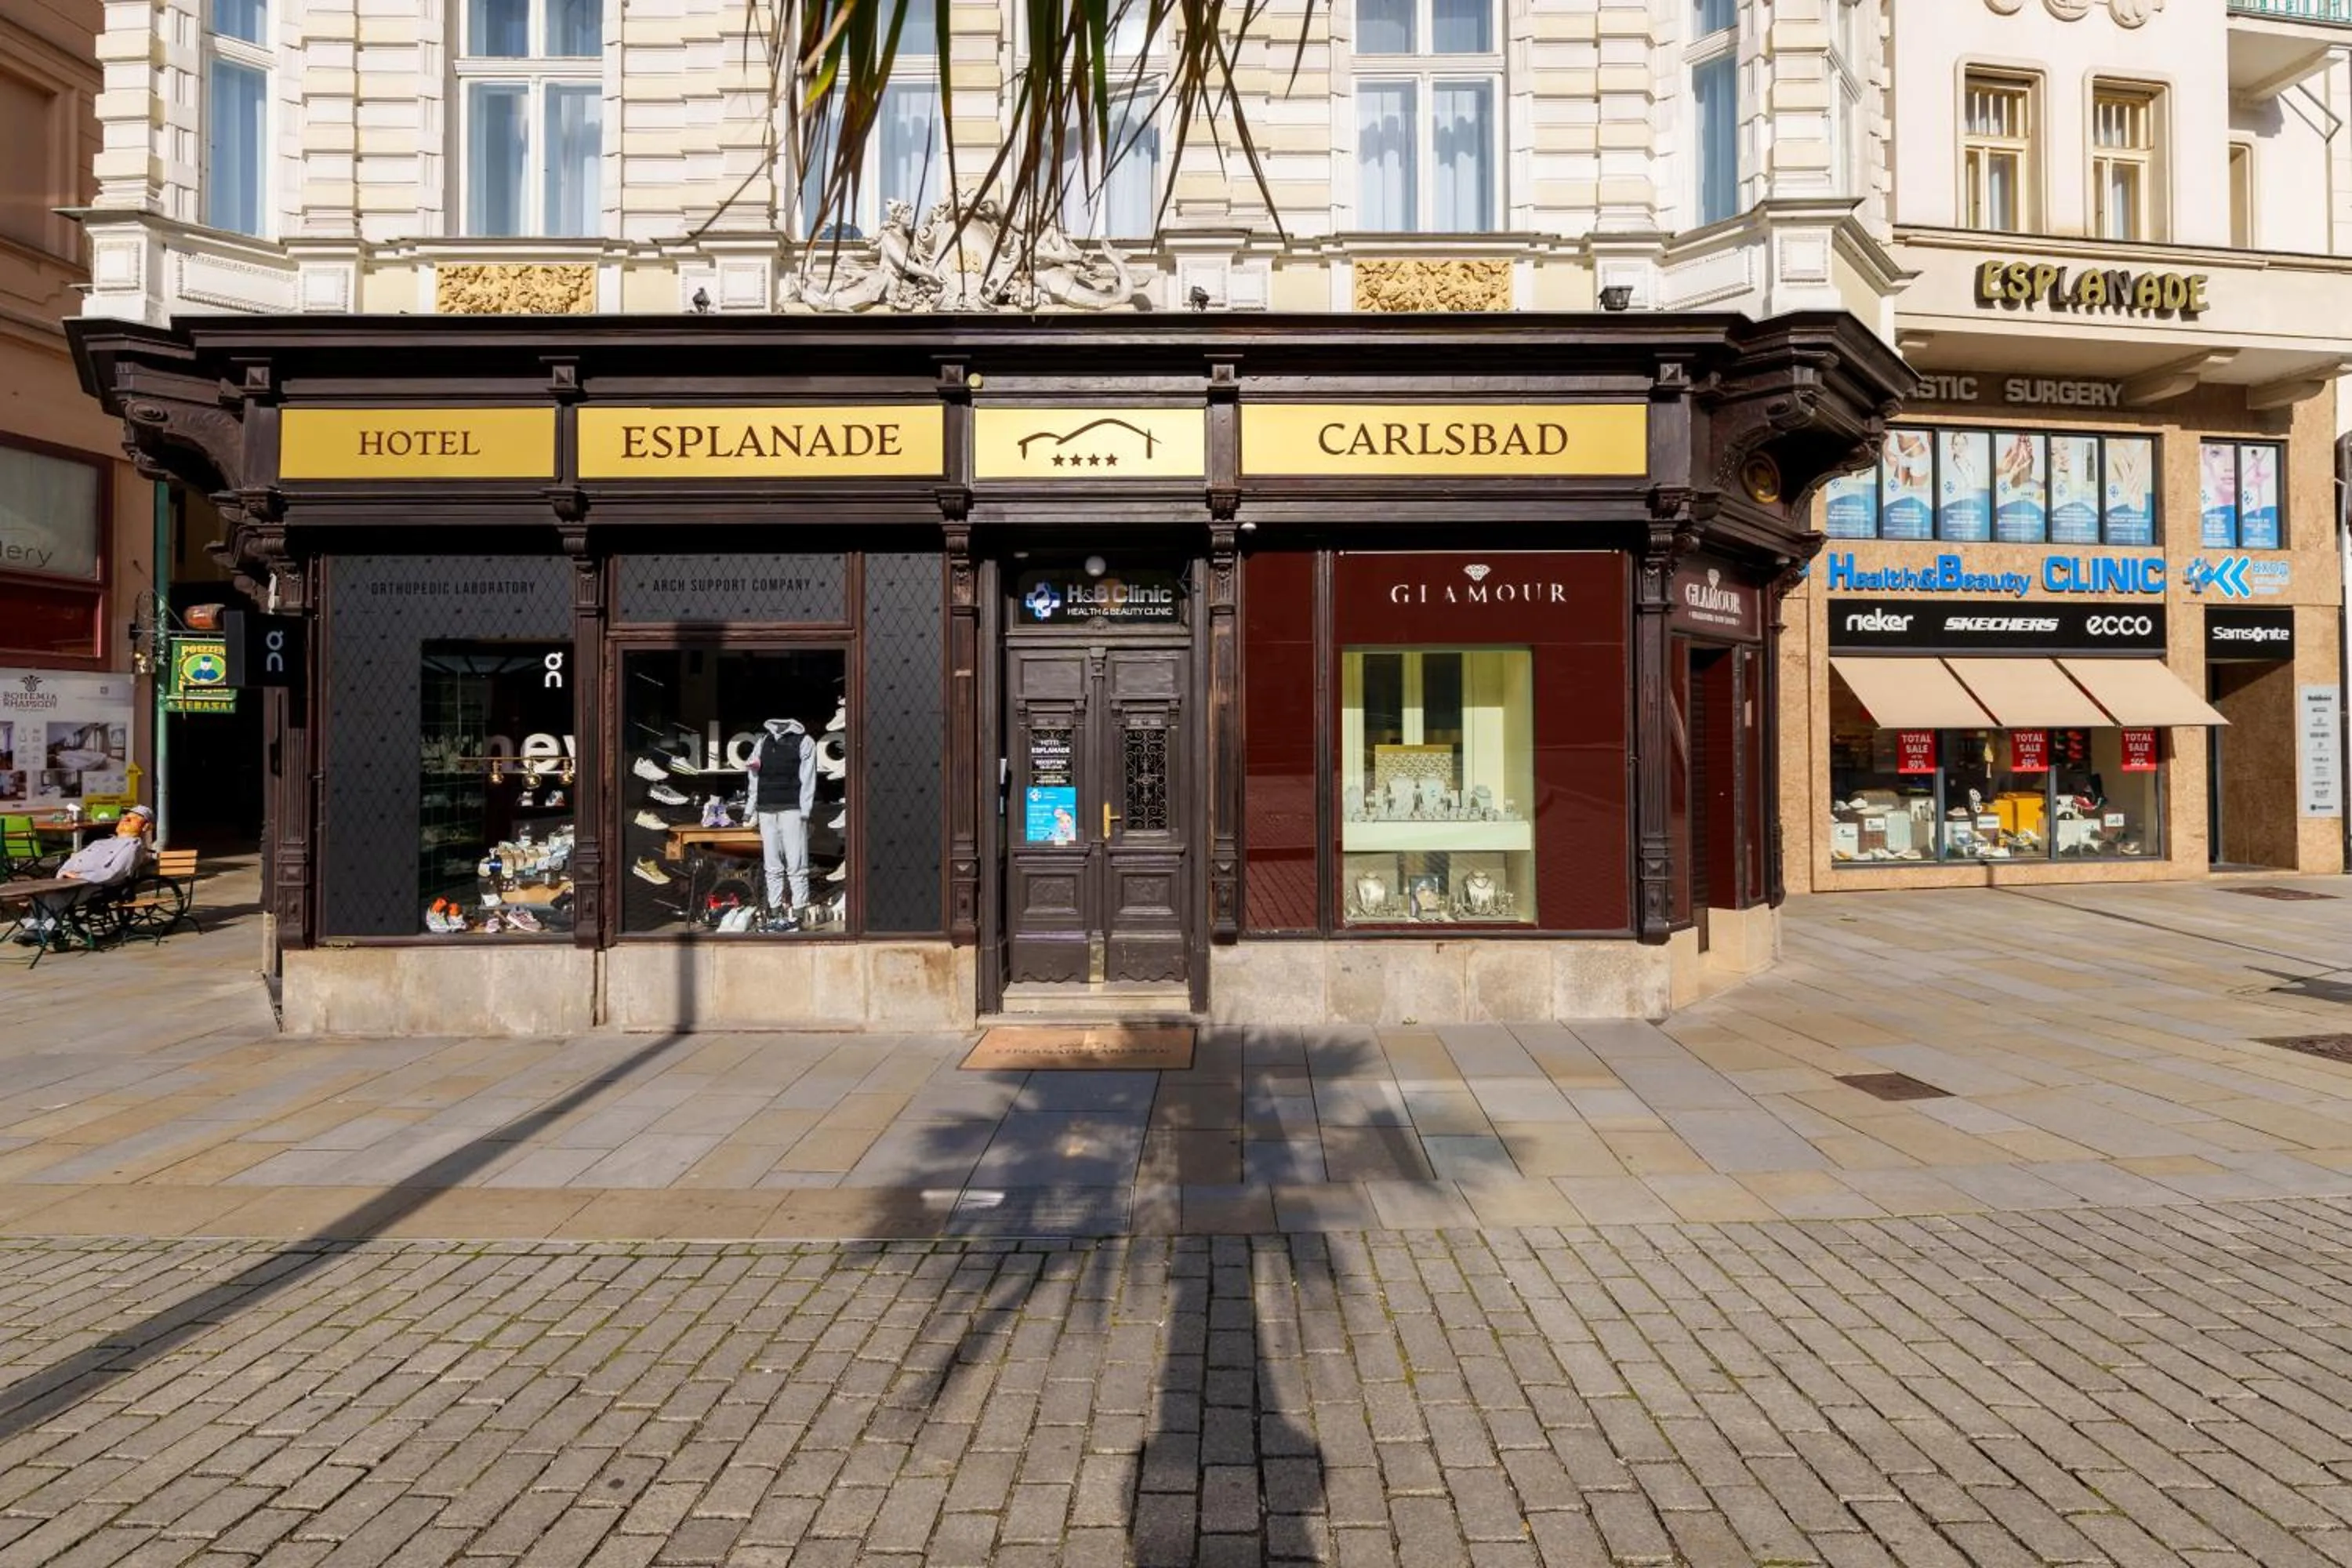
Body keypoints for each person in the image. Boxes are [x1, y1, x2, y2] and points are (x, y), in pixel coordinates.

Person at [15, 804, 151, 946]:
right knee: (39, 894)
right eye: (126, 817)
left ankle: (48, 931)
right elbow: (74, 860)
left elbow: (117, 871)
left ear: (145, 827)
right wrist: (63, 873)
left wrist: (83, 877)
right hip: (73, 880)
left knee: (55, 897)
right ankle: (35, 929)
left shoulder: (133, 846)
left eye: (134, 818)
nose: (126, 820)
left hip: (97, 884)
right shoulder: (101, 842)